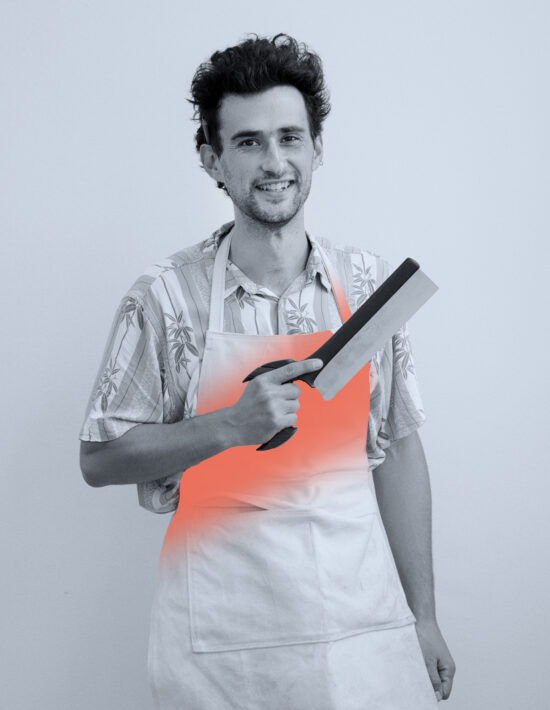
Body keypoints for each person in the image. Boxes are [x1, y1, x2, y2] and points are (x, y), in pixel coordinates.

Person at [80, 33, 455, 710]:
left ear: (317, 148)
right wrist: (228, 426)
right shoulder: (164, 298)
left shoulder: (368, 288)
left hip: (361, 632)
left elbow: (398, 448)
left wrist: (423, 616)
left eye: (290, 137)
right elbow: (100, 458)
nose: (275, 161)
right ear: (212, 160)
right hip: (223, 651)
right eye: (249, 142)